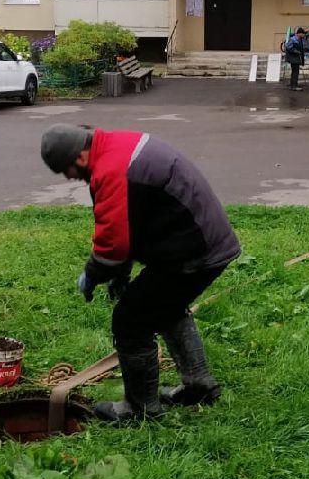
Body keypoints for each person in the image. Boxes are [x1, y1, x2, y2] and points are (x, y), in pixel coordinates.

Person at [39, 124, 240, 423]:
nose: (69, 178)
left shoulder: (110, 170)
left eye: (65, 170)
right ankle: (198, 385)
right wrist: (121, 274)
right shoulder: (115, 145)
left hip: (195, 249)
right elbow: (133, 217)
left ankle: (140, 408)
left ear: (79, 157)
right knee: (164, 306)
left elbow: (113, 245)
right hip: (198, 238)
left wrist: (95, 273)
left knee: (130, 321)